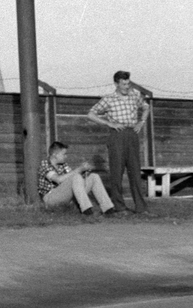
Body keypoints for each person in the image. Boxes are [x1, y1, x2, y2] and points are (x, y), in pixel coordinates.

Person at [87, 71, 151, 213]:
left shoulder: (135, 95)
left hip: (132, 134)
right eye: (123, 84)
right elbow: (91, 114)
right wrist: (108, 124)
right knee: (117, 172)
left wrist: (142, 121)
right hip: (117, 135)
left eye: (128, 83)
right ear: (116, 84)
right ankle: (119, 207)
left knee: (135, 171)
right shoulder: (109, 99)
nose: (126, 87)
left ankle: (141, 208)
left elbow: (146, 107)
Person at [38, 140, 114, 216]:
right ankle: (87, 211)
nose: (66, 156)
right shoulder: (45, 164)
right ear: (55, 155)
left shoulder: (63, 165)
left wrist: (84, 172)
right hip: (51, 198)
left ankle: (108, 209)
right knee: (76, 176)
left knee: (94, 177)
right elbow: (59, 180)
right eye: (64, 154)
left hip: (64, 194)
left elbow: (74, 180)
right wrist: (79, 169)